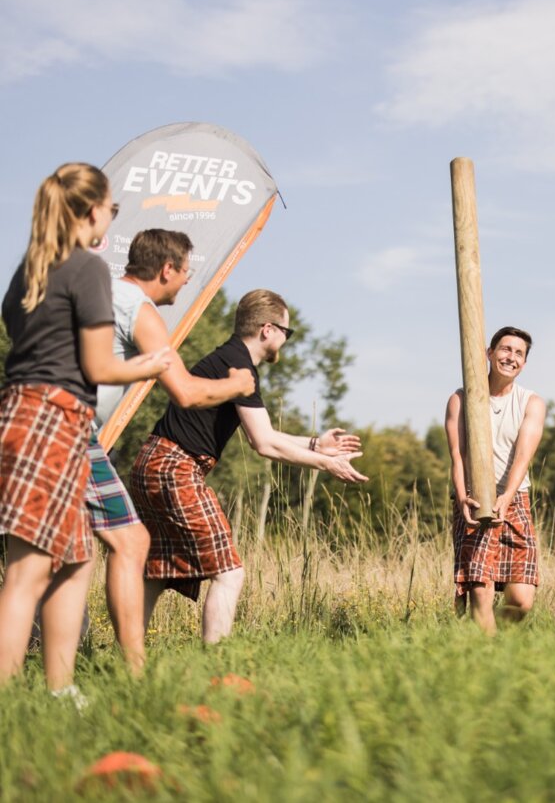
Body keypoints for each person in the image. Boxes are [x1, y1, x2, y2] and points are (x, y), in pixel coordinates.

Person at [0, 163, 170, 700]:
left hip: (36, 417)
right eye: (112, 210)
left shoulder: (29, 270)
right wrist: (152, 363)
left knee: (76, 559)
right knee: (29, 570)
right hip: (51, 417)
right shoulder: (88, 269)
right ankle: (7, 706)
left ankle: (59, 691)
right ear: (92, 210)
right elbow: (98, 366)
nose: (110, 220)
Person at [132, 289, 368, 643]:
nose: (286, 342)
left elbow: (266, 432)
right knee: (229, 572)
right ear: (268, 330)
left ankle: (128, 663)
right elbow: (265, 445)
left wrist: (318, 444)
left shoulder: (231, 358)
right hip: (175, 468)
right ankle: (218, 667)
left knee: (157, 571)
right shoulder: (238, 366)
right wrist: (327, 463)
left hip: (152, 463)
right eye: (287, 333)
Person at [85, 228, 255, 673]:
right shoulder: (138, 309)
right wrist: (236, 385)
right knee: (140, 545)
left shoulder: (97, 292)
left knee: (75, 555)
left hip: (47, 422)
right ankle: (145, 670)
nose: (185, 282)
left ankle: (95, 673)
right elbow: (186, 393)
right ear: (167, 269)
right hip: (73, 430)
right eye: (185, 272)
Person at [444, 326, 546, 635]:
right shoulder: (461, 399)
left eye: (518, 353)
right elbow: (458, 455)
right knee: (480, 588)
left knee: (521, 599)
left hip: (515, 499)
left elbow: (523, 458)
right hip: (475, 497)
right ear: (489, 353)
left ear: (524, 363)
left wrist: (507, 495)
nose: (510, 357)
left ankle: (488, 637)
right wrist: (463, 496)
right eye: (504, 349)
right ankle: (485, 657)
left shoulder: (532, 402)